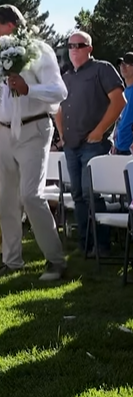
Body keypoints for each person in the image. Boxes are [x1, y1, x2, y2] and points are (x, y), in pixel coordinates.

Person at [0, 4, 68, 281]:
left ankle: (55, 260)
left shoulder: (41, 51)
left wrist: (30, 88)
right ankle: (12, 261)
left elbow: (60, 91)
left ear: (11, 27)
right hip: (4, 132)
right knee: (6, 199)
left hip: (34, 127)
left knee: (30, 195)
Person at [55, 31, 125, 256]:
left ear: (89, 48)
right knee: (77, 195)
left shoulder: (102, 69)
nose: (73, 49)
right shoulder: (66, 77)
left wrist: (99, 131)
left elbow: (119, 101)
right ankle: (85, 245)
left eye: (79, 45)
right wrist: (62, 135)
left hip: (93, 144)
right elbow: (59, 108)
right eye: (70, 46)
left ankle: (102, 246)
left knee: (91, 193)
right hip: (72, 145)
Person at [113, 52, 133, 155]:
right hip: (120, 147)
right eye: (121, 63)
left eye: (128, 63)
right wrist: (114, 143)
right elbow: (120, 120)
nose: (123, 66)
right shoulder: (124, 92)